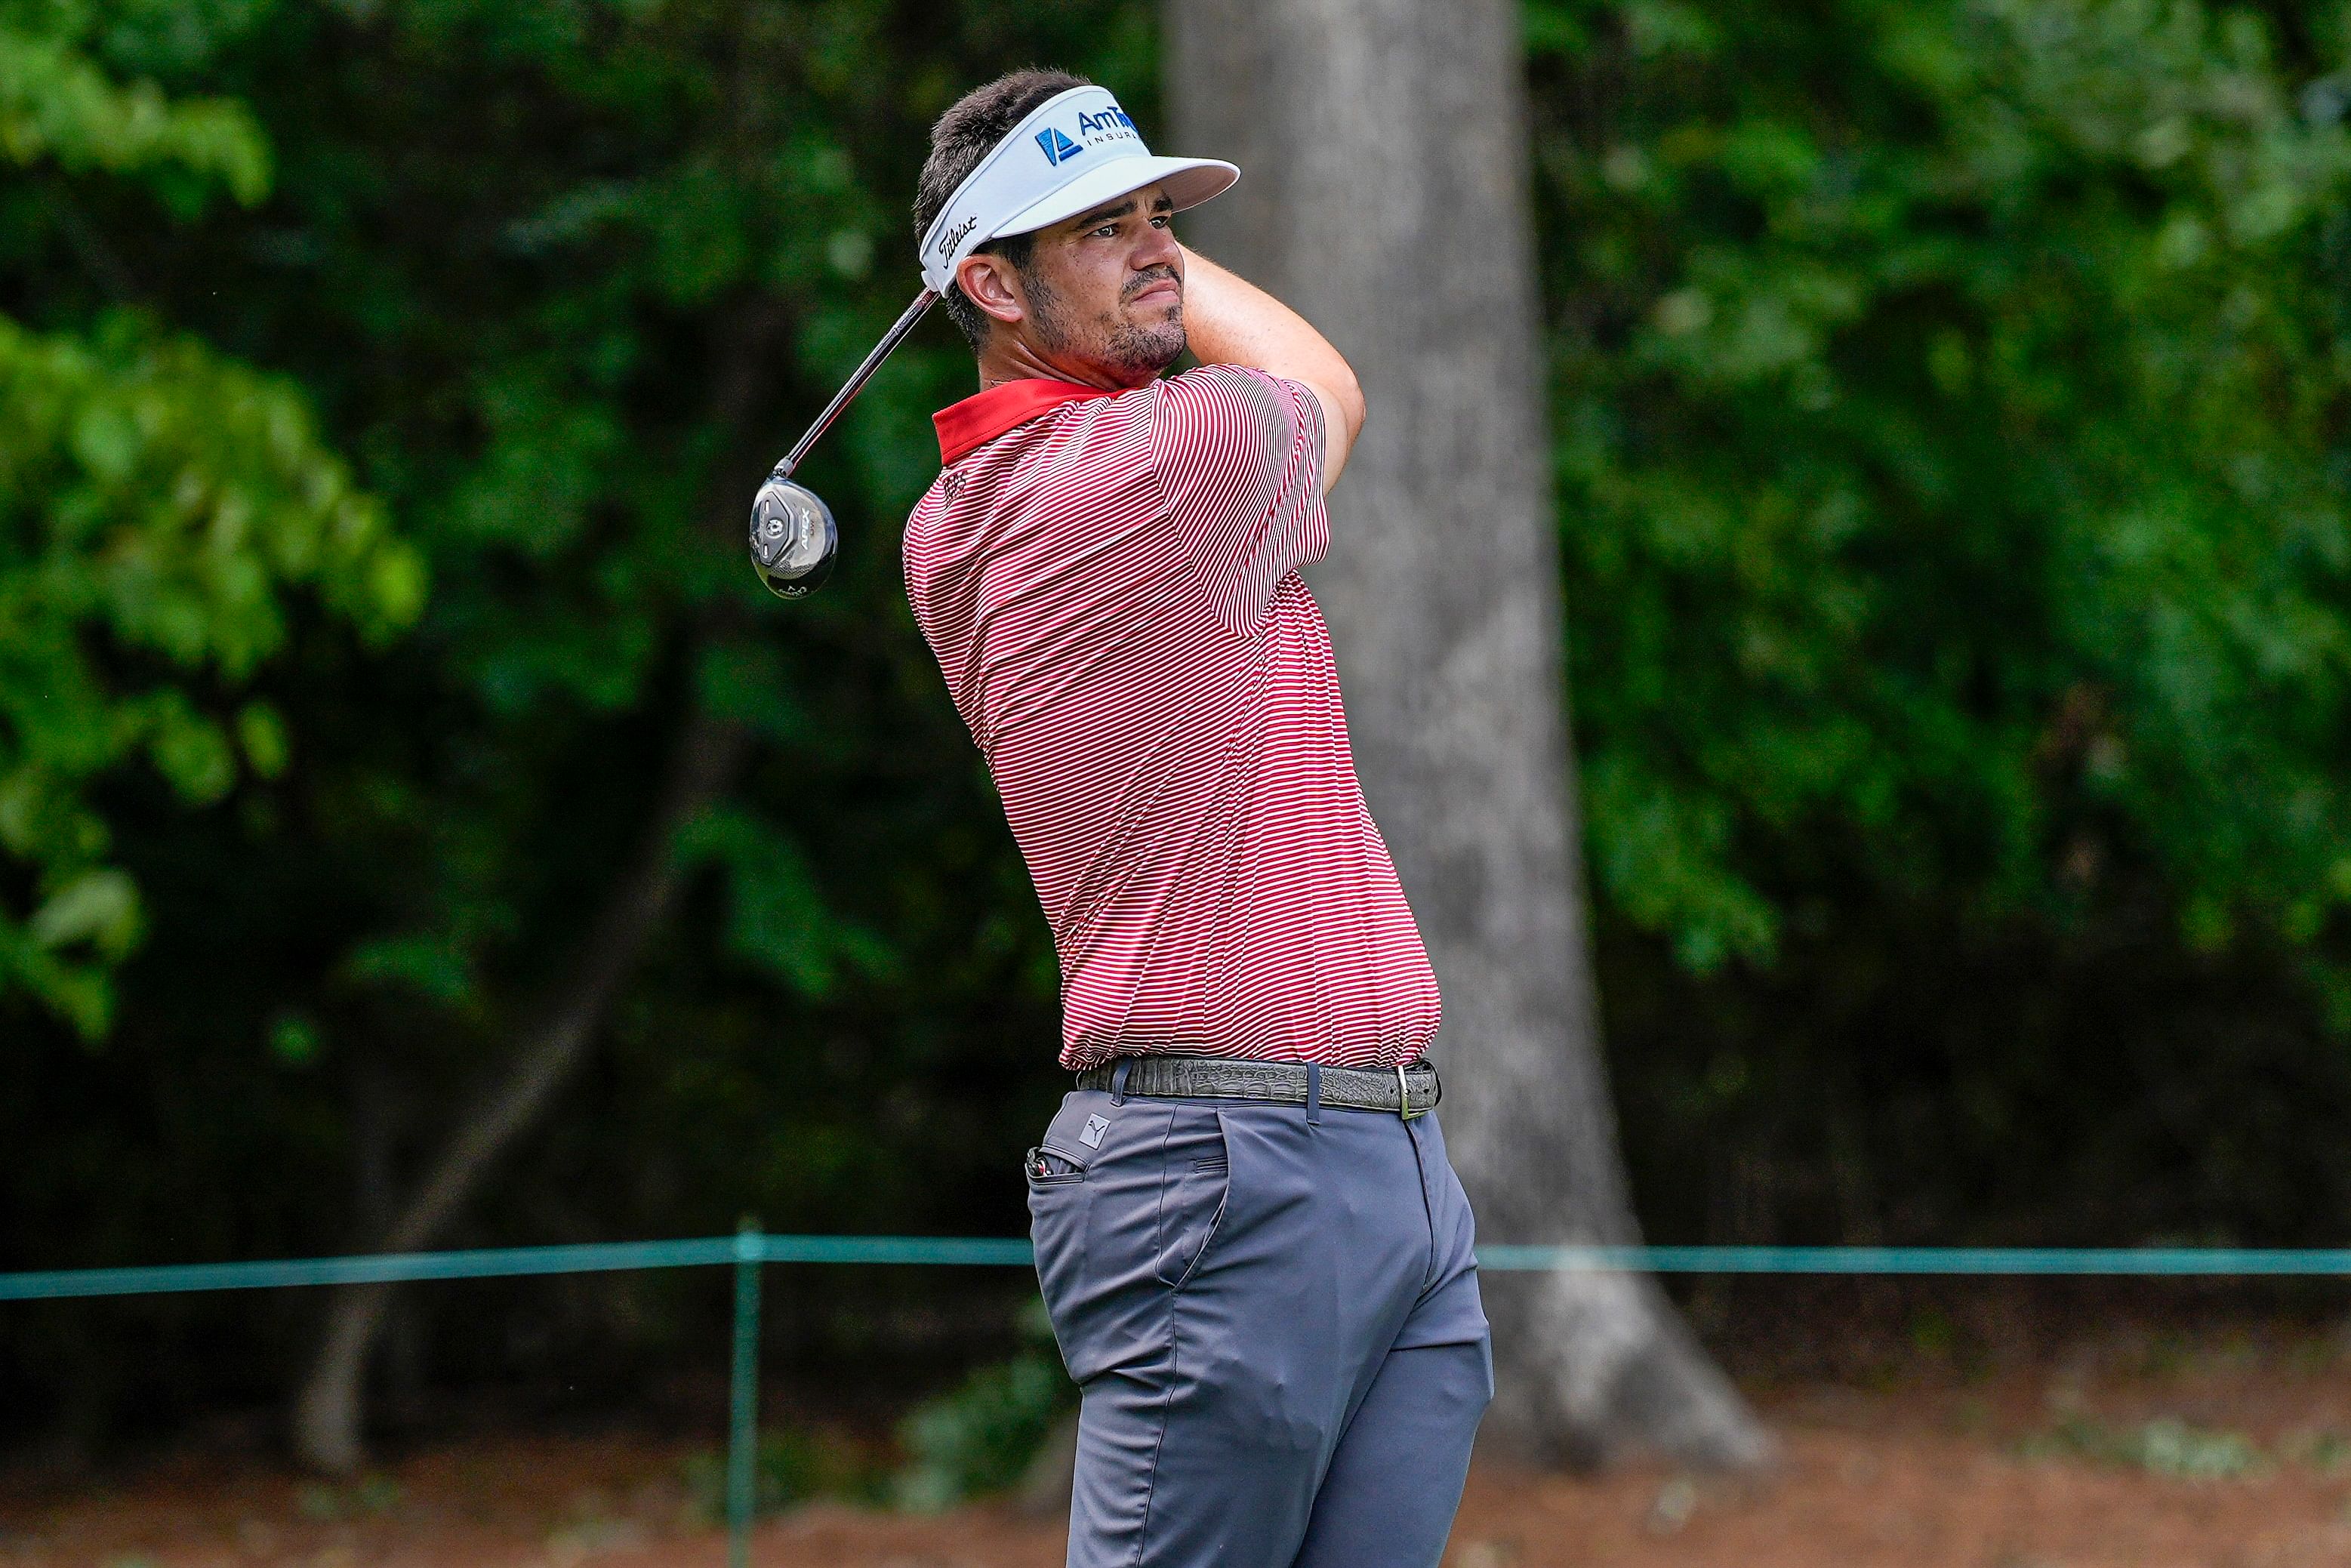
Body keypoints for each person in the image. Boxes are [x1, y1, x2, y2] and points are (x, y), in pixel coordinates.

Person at [901, 68, 1491, 1568]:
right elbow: (1329, 381)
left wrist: (1104, 229)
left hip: (1388, 1165)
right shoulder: (1166, 460)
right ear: (990, 283)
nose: (1160, 249)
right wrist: (1139, 248)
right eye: (1104, 229)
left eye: (1164, 214)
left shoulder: (993, 502)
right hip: (1223, 1179)